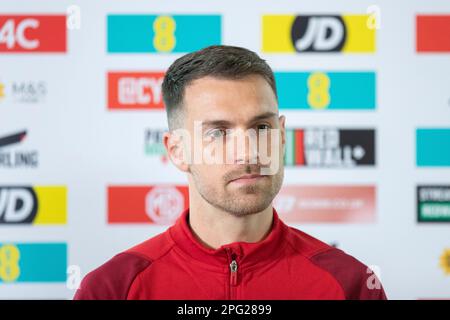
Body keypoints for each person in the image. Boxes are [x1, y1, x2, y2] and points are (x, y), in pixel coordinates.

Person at [73, 45, 387, 300]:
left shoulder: (350, 286)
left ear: (280, 136)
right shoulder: (111, 290)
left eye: (261, 127)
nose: (248, 151)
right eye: (218, 132)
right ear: (177, 151)